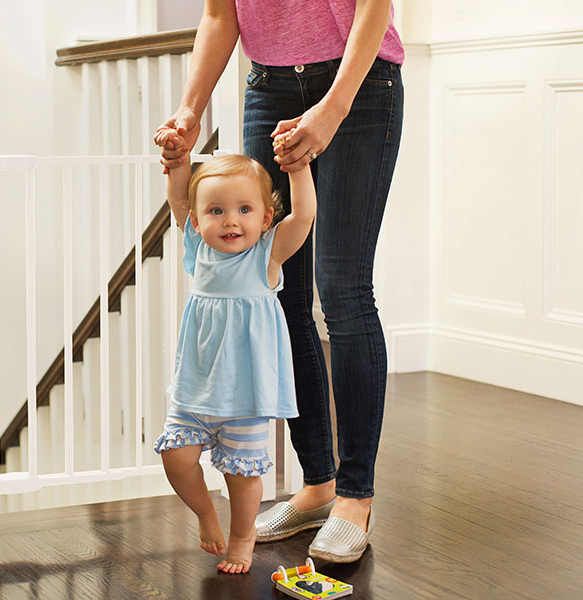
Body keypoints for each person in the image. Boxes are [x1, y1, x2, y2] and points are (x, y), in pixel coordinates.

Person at [154, 0, 404, 563]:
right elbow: (221, 16)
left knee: (342, 288)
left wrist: (332, 108)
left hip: (358, 82)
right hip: (269, 85)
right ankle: (317, 484)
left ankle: (354, 496)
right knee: (281, 295)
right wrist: (190, 110)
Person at [152, 137, 315, 574]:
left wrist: (298, 168)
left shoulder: (267, 255)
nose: (230, 221)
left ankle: (243, 536)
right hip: (196, 388)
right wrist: (180, 161)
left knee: (241, 477)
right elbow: (177, 197)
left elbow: (303, 216)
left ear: (265, 219)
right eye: (216, 211)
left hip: (244, 395)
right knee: (177, 458)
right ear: (198, 219)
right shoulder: (199, 251)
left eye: (244, 210)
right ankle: (206, 513)